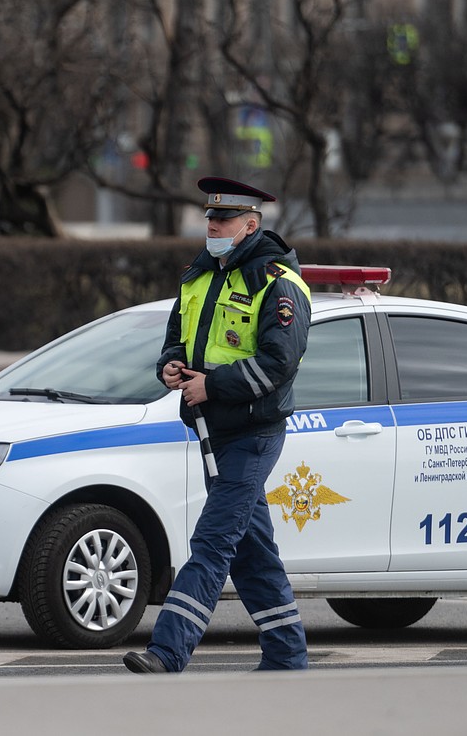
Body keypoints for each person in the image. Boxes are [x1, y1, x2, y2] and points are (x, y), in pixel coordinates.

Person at [122, 176, 311, 673]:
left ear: (251, 225)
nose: (212, 225)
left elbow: (278, 364)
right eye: (209, 217)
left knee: (212, 541)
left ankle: (167, 652)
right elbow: (177, 342)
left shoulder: (277, 283)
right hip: (209, 431)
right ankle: (287, 654)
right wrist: (170, 368)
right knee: (252, 551)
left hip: (253, 434)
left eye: (223, 219)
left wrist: (212, 385)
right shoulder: (197, 276)